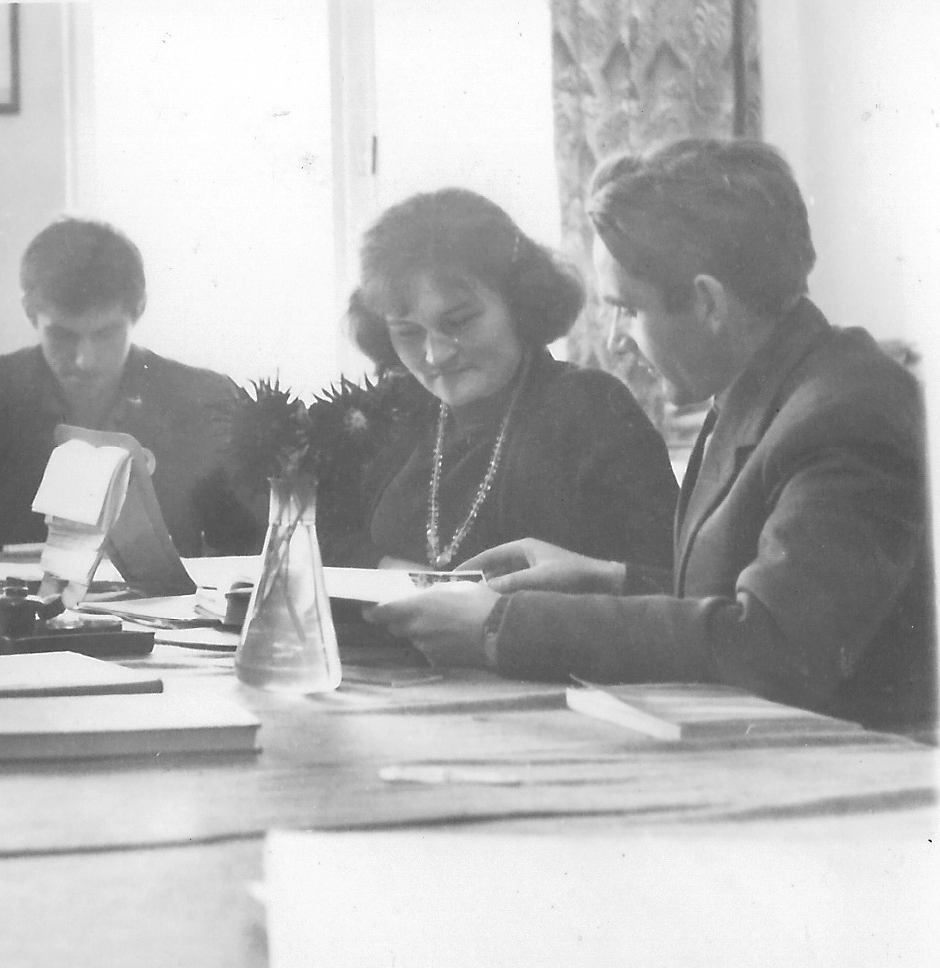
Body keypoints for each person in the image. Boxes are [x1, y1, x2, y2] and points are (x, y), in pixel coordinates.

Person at [366, 139, 935, 737]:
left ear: (707, 301)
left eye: (628, 310)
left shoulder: (846, 412)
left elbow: (776, 647)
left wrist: (502, 624)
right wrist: (606, 577)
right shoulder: (768, 392)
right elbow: (732, 604)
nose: (616, 341)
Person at [332, 189, 678, 571]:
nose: (435, 355)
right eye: (409, 333)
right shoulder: (396, 415)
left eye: (459, 321)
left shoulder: (592, 409)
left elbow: (664, 582)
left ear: (520, 301)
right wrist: (390, 568)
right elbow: (325, 538)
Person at [0, 216, 261, 555]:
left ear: (139, 309)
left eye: (106, 334)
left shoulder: (204, 399)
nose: (85, 360)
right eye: (62, 335)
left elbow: (248, 551)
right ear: (29, 312)